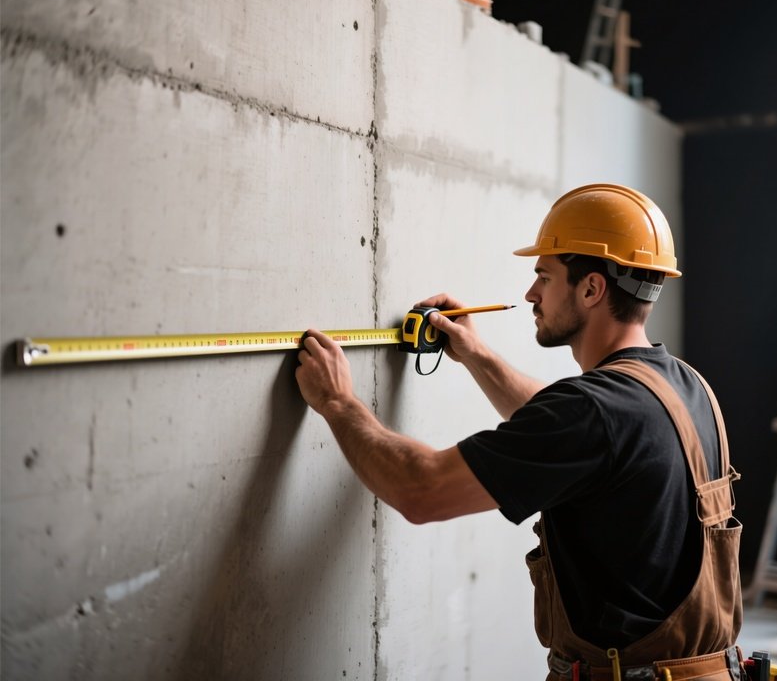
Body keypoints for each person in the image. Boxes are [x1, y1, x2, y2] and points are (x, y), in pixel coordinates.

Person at [295, 183, 744, 680]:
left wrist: (337, 402)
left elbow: (421, 489)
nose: (531, 294)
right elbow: (571, 433)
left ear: (592, 289)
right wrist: (478, 356)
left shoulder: (592, 412)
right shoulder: (683, 386)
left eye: (544, 277)